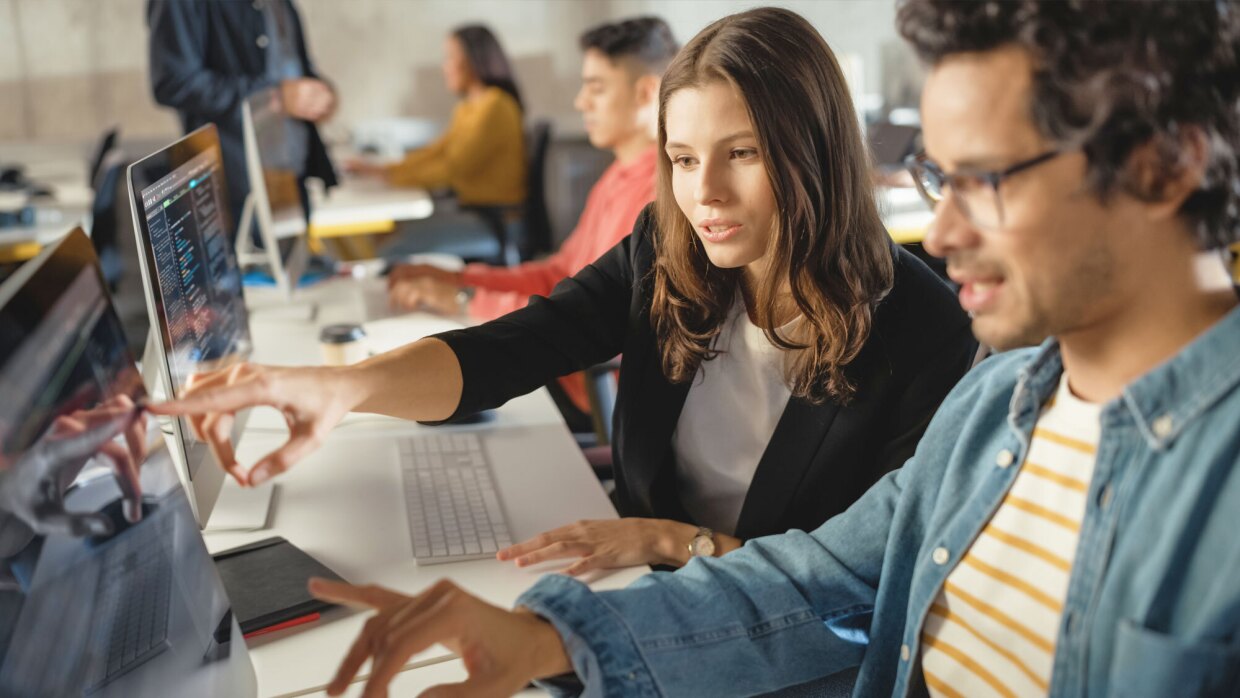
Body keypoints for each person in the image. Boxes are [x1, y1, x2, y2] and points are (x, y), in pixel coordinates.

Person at [287, 3, 1238, 696]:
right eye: (937, 179)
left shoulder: (955, 353)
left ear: (1165, 167)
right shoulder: (1003, 407)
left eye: (985, 180)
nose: (943, 232)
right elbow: (820, 581)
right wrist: (543, 638)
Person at [154, 0, 974, 583]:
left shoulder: (925, 329)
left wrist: (674, 544)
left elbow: (869, 582)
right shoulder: (668, 249)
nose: (706, 194)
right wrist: (342, 388)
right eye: (683, 160)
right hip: (645, 587)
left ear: (814, 150)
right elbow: (518, 345)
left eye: (743, 154)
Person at [386, 16, 678, 419]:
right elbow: (560, 275)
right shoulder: (616, 175)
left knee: (424, 389)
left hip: (589, 389)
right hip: (563, 363)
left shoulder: (658, 200)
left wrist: (465, 298)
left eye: (596, 87)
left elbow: (592, 324)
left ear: (645, 92)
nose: (580, 102)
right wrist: (458, 279)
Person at [147, 0, 339, 242]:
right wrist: (274, 97)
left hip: (291, 179)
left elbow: (287, 62)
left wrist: (318, 96)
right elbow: (173, 82)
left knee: (296, 261)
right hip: (236, 190)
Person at [349, 25, 526, 208]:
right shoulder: (467, 108)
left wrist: (390, 175)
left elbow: (453, 168)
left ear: (473, 60)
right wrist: (383, 169)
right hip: (469, 205)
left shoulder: (495, 106)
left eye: (450, 57)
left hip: (493, 212)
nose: (445, 67)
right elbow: (435, 152)